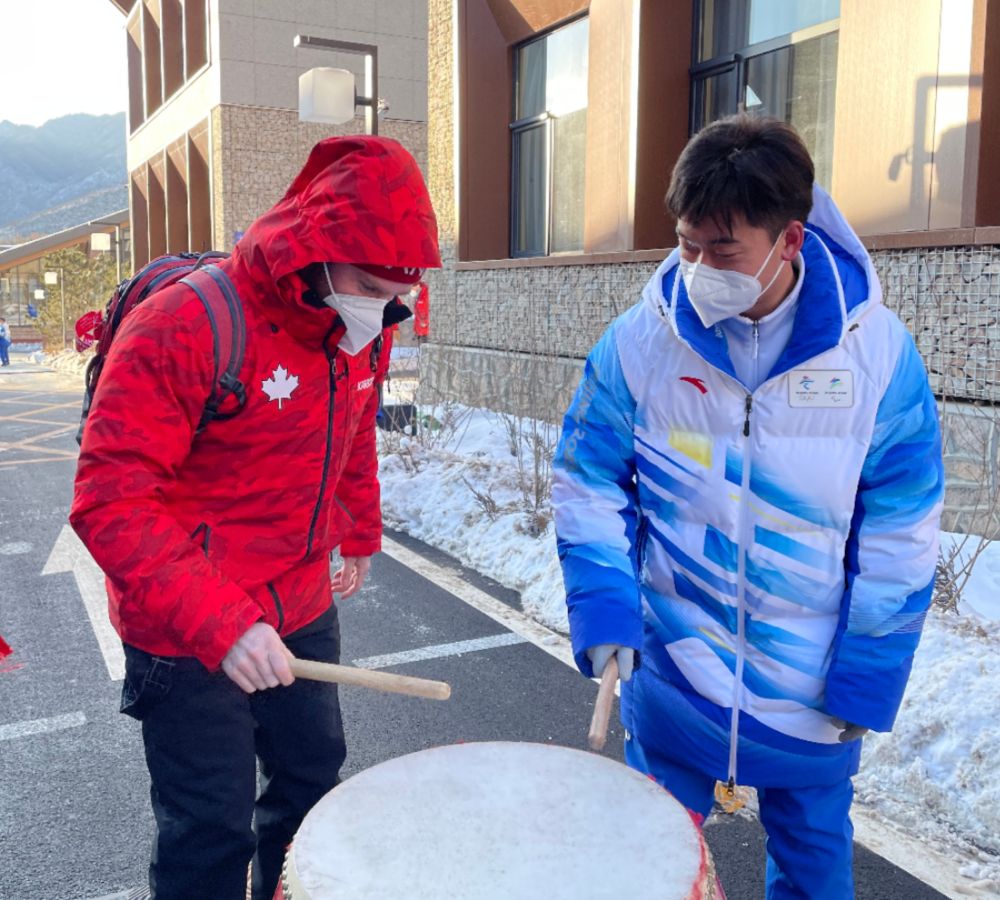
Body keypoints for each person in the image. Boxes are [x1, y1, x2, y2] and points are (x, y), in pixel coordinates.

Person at [552, 115, 943, 899]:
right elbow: (587, 478)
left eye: (722, 251)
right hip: (676, 674)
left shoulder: (877, 357)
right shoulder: (642, 342)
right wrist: (605, 610)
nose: (697, 269)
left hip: (809, 692)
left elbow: (901, 528)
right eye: (686, 245)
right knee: (647, 873)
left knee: (814, 876)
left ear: (790, 240)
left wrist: (870, 673)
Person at [70, 136, 440, 900]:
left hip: (299, 599)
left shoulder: (364, 323)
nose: (383, 309)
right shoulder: (186, 324)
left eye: (398, 294)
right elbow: (110, 498)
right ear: (318, 252)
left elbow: (355, 429)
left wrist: (359, 530)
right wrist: (223, 624)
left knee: (311, 784)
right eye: (371, 286)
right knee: (209, 828)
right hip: (185, 625)